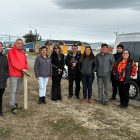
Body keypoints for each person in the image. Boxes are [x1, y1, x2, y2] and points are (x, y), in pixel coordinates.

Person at [8, 39, 28, 114]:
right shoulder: (11, 51)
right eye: (18, 43)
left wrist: (25, 68)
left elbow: (25, 62)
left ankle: (15, 103)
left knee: (18, 90)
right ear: (15, 44)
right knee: (13, 90)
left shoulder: (22, 52)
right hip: (13, 74)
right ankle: (12, 106)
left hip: (21, 74)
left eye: (21, 44)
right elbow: (14, 62)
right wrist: (22, 69)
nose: (20, 45)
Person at [0, 42, 9, 116]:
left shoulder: (4, 57)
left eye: (0, 46)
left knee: (0, 97)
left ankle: (0, 111)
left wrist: (6, 77)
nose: (0, 47)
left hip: (2, 81)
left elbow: (7, 68)